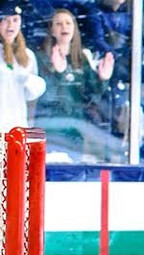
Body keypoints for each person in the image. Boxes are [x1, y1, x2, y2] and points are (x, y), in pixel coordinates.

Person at [36, 8, 116, 161]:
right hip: (50, 126)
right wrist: (58, 74)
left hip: (75, 128)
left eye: (68, 23)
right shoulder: (41, 58)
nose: (64, 27)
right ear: (52, 30)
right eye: (58, 24)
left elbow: (92, 96)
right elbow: (44, 96)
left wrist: (103, 79)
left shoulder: (82, 58)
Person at [0, 4, 46, 133]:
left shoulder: (27, 55)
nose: (10, 25)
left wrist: (28, 80)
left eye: (15, 20)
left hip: (17, 128)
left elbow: (31, 97)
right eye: (5, 20)